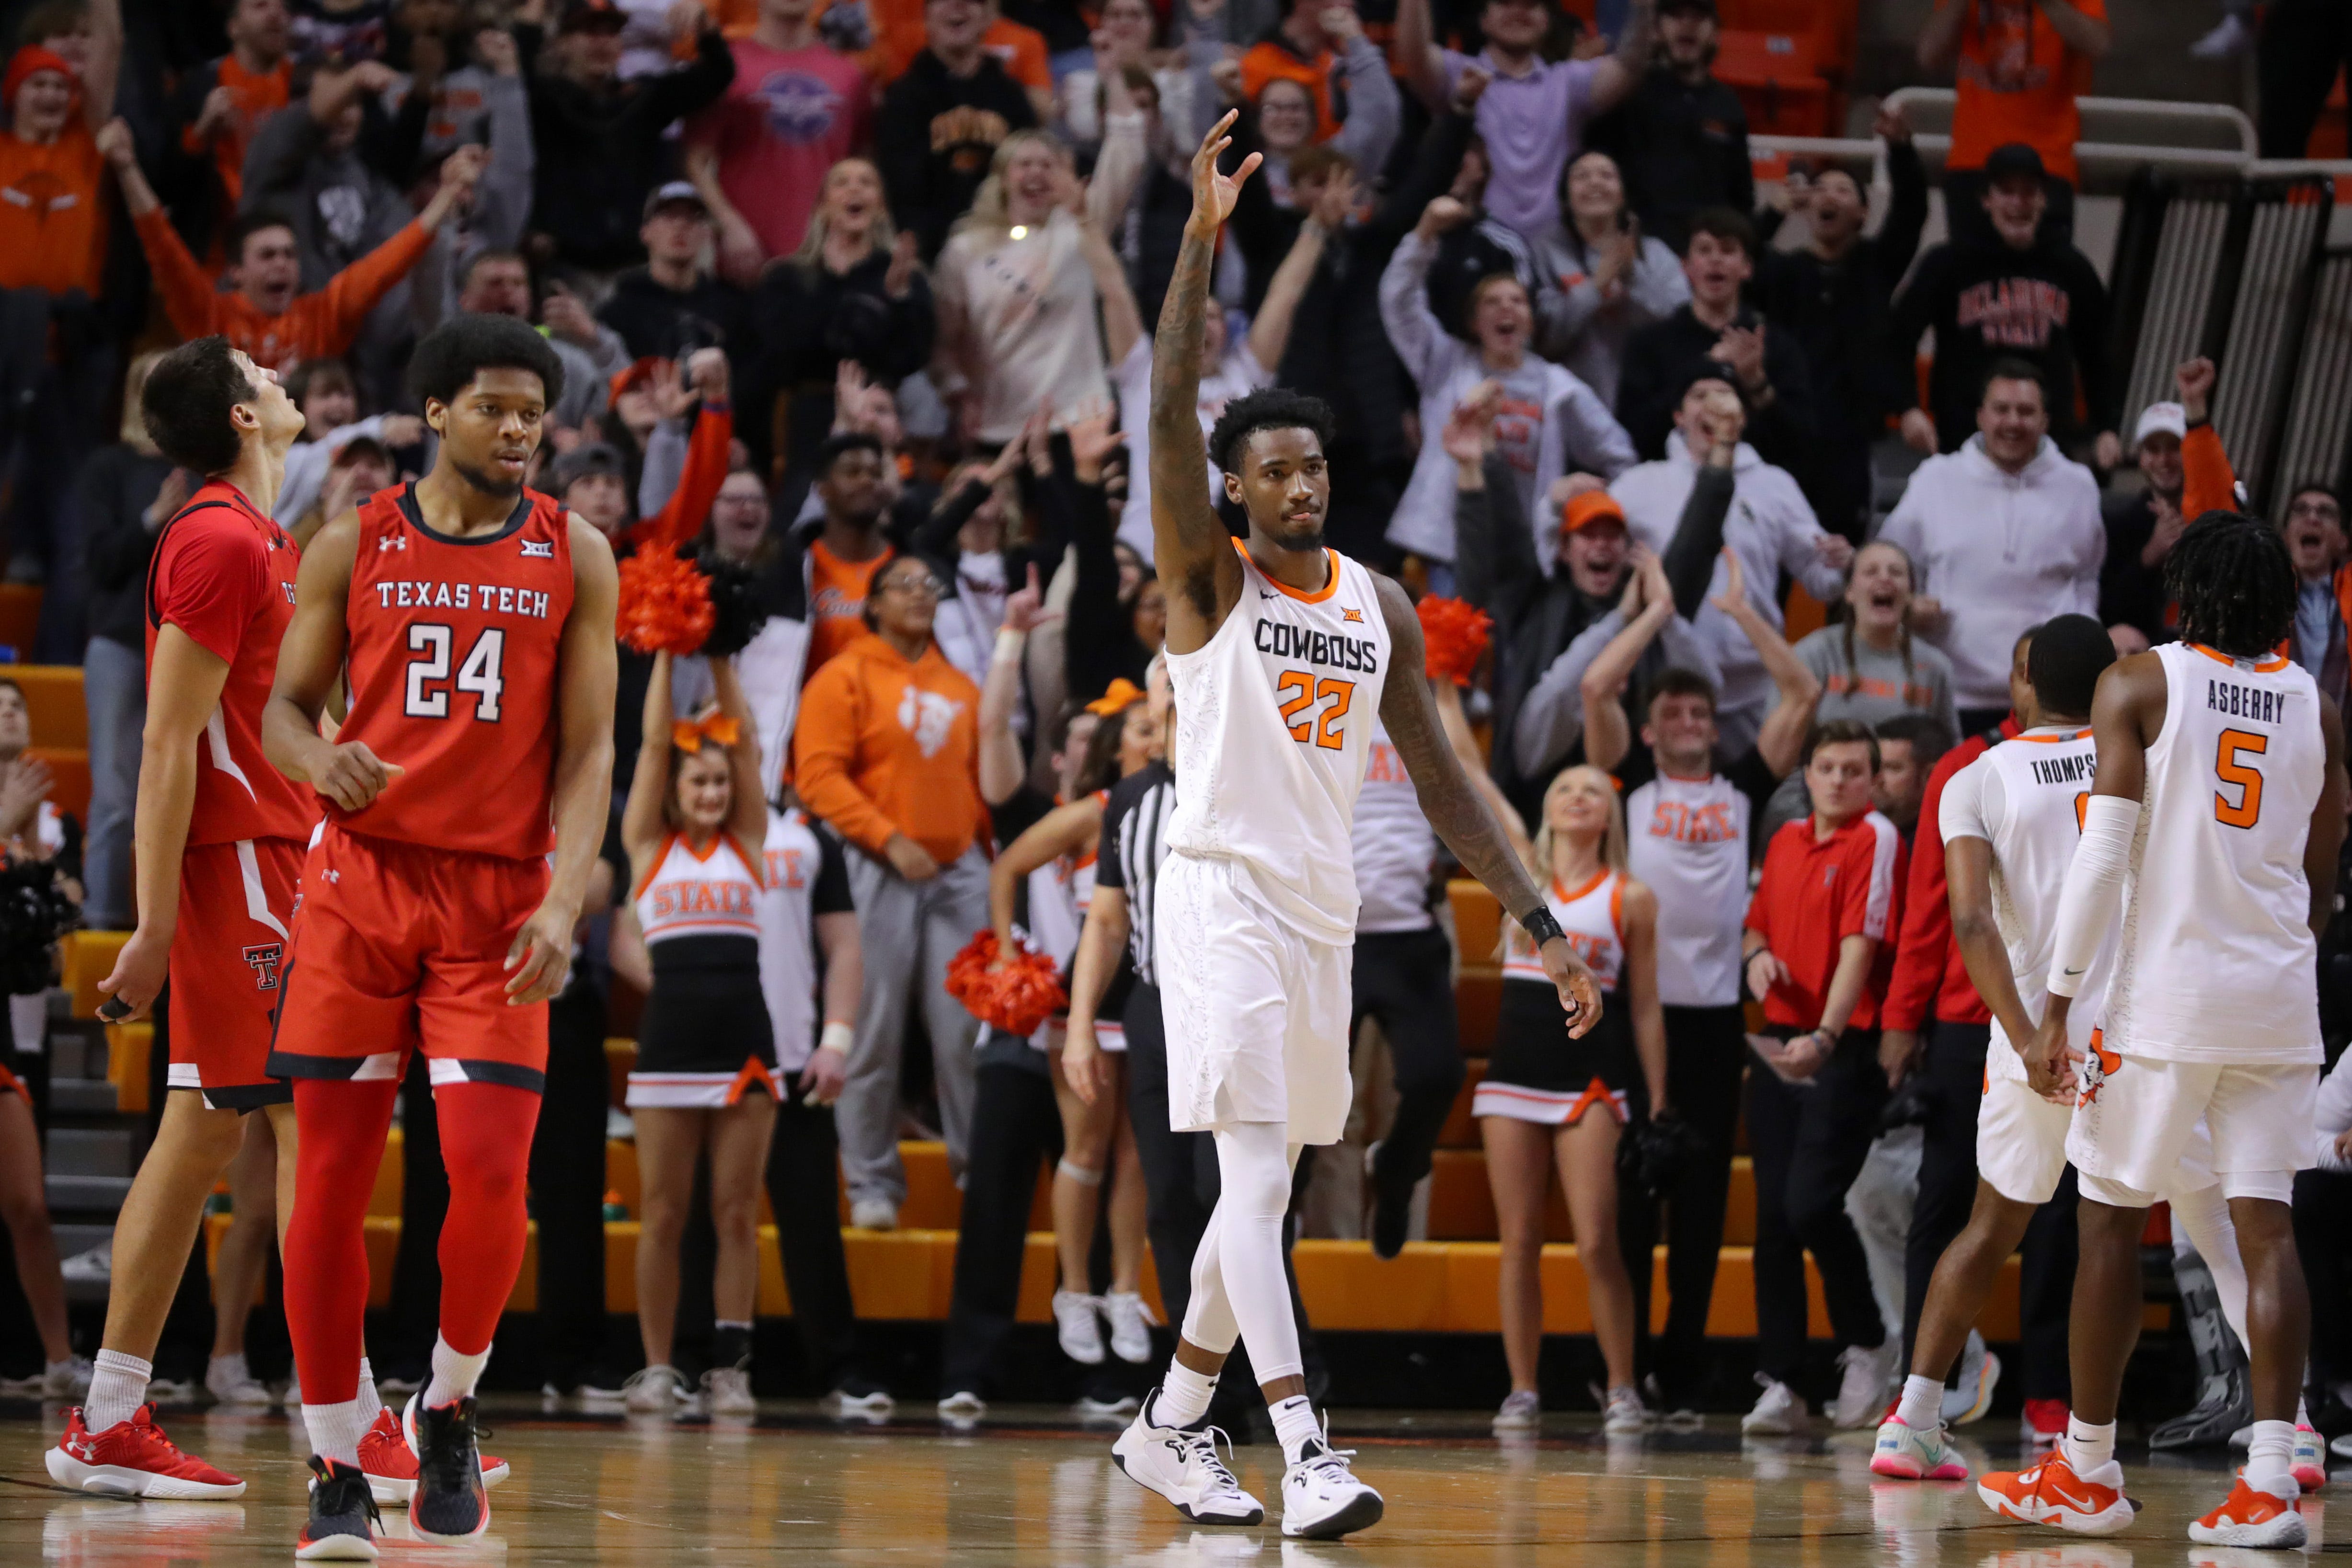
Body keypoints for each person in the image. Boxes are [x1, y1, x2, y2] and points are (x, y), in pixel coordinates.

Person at [1109, 113, 1599, 1542]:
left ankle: (1166, 1427)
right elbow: (1167, 406)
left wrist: (1537, 916)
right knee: (1260, 1176)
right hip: (1218, 891)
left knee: (1254, 1191)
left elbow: (1444, 781)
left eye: (1309, 468)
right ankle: (1303, 1440)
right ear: (1238, 491)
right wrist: (1202, 237)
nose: (1298, 484)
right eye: (1271, 471)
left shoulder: (1374, 604)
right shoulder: (1208, 583)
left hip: (1325, 907)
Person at [260, 313, 619, 1554]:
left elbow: (588, 756)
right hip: (359, 888)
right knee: (328, 1183)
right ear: (434, 412)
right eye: (493, 408)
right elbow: (281, 718)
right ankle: (331, 1463)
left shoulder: (574, 552)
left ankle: (447, 1401)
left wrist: (567, 900)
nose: (518, 430)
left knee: (491, 1173)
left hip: (495, 902)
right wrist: (323, 758)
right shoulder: (346, 545)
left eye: (533, 412)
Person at [1979, 513, 2345, 1548]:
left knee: (2104, 1214)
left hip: (2167, 1005)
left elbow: (2102, 860)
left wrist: (2055, 1003)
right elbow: (2323, 871)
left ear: (2186, 588)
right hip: (2278, 1000)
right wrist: (2282, 950)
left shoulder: (2140, 682)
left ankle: (2087, 1470)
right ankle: (2271, 1479)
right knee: (2264, 1228)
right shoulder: (2314, 704)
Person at [1871, 614, 2271, 1486]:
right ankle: (2284, 1427)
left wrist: (2022, 1035)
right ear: (2103, 686)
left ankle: (1912, 1418)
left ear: (2022, 686)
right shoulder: (2150, 757)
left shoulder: (1975, 775)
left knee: (1987, 1227)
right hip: (2139, 1025)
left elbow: (1968, 918)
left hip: (2032, 1031)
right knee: (2188, 1227)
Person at [41, 337, 310, 1506]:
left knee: (203, 1132)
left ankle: (108, 1413)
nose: (285, 377)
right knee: (314, 1112)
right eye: (265, 371)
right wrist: (151, 924)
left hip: (273, 855)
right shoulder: (212, 538)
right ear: (244, 417)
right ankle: (355, 1423)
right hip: (236, 866)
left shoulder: (265, 537)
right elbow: (163, 743)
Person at [793, 553, 990, 1232]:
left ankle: (979, 1176)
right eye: (902, 583)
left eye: (928, 583)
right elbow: (816, 778)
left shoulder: (961, 685)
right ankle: (871, 1181)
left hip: (959, 872)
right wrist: (888, 837)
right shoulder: (842, 676)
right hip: (875, 866)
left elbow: (975, 783)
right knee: (871, 1032)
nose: (920, 592)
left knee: (968, 1032)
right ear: (871, 604)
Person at [1479, 765, 1667, 1432]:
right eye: (1565, 788)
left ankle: (1621, 1387)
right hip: (1512, 1075)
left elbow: (1644, 1007)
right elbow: (1472, 780)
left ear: (1610, 816)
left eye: (1594, 789)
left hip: (1589, 1077)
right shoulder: (1517, 878)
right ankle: (1522, 1389)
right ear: (1547, 810)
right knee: (1519, 1239)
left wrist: (1658, 1097)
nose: (1579, 796)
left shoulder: (1630, 895)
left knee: (1596, 1240)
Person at [617, 650, 774, 1416]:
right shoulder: (649, 850)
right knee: (665, 1210)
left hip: (744, 1039)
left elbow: (744, 743)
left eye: (720, 781)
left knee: (736, 1209)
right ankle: (656, 1368)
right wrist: (669, 651)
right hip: (670, 1043)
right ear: (676, 793)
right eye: (699, 782)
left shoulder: (749, 842)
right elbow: (650, 747)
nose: (713, 791)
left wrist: (717, 657)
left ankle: (730, 1366)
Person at [1739, 719, 1905, 1435]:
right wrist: (1755, 962)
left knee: (1810, 1204)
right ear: (1805, 775)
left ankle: (1868, 1340)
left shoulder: (1874, 837)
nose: (1838, 780)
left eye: (1853, 770)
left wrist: (1826, 1034)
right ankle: (1784, 1381)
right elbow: (1754, 927)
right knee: (1772, 1218)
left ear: (1872, 781)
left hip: (1844, 1044)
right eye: (1827, 768)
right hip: (1777, 1037)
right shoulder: (1783, 841)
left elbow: (1858, 948)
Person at [1381, 193, 1636, 573]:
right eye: (1492, 303)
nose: (1506, 309)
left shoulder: (1557, 386)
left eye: (1517, 301)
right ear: (1473, 323)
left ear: (1531, 321)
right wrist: (1424, 234)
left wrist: (1585, 502)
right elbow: (1398, 301)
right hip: (1446, 552)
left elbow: (1619, 456)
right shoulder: (1444, 363)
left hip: (1521, 560)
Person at [104, 123, 485, 374]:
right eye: (267, 255)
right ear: (236, 271)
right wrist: (126, 169)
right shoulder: (210, 318)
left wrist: (447, 196)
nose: (282, 264)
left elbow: (388, 262)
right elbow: (163, 247)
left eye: (289, 254)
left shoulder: (323, 315)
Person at [1609, 369, 1847, 756]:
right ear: (1678, 416)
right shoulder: (1638, 485)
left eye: (1723, 394)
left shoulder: (1774, 484)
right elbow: (1590, 557)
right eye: (1699, 395)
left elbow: (1822, 580)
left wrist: (1842, 562)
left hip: (1757, 690)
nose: (1713, 404)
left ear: (1741, 417)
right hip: (1667, 686)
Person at [1879, 360, 2104, 736]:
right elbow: (1886, 565)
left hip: (2047, 703)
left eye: (2026, 411)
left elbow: (2087, 577)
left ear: (2045, 420)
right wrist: (1909, 606)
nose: (2012, 422)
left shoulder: (2078, 486)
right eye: (2001, 409)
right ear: (1981, 415)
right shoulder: (1934, 480)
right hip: (1946, 695)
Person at [754, 786, 879, 1414]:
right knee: (695, 1220)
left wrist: (837, 1040)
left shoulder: (806, 835)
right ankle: (693, 1364)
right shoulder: (670, 826)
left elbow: (846, 946)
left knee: (812, 1224)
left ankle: (838, 1367)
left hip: (796, 1058)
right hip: (709, 1063)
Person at [1751, 109, 1929, 541]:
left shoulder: (1875, 265)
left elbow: (1911, 212)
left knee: (1845, 565)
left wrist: (1901, 149)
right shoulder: (1784, 272)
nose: (1829, 196)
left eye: (1843, 190)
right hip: (1786, 437)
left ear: (1863, 213)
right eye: (1821, 189)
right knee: (1773, 564)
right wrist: (1774, 212)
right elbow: (1740, 258)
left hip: (1849, 442)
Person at [1891, 145, 2118, 466]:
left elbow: (2098, 354)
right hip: (1964, 440)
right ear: (1987, 200)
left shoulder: (2072, 268)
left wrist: (2106, 427)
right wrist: (1908, 408)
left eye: (2028, 192)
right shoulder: (1948, 263)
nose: (2018, 203)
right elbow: (1898, 337)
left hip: (2048, 445)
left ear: (2043, 199)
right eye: (2007, 192)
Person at [743, 159, 934, 493]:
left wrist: (900, 299)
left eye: (866, 182)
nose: (855, 189)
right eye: (842, 182)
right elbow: (782, 351)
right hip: (809, 414)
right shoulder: (787, 277)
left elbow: (912, 357)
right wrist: (871, 310)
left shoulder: (903, 276)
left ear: (881, 207)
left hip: (877, 410)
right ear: (822, 206)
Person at [1392, 0, 1651, 242]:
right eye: (1505, 2)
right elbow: (1414, 52)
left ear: (1546, 21)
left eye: (1530, 4)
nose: (1518, 12)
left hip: (1557, 254)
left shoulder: (1568, 83)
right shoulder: (1460, 74)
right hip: (1483, 250)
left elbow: (1629, 66)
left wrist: (1644, 7)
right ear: (1484, 19)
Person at [931, 131, 1123, 446]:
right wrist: (958, 393)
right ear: (1003, 179)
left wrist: (1115, 81)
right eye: (1024, 164)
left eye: (1047, 165)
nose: (1036, 172)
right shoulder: (964, 251)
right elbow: (943, 340)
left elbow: (1125, 159)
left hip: (1078, 420)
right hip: (998, 425)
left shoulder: (1077, 234)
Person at [519, 0, 734, 275]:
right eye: (589, 33)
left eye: (611, 33)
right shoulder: (543, 100)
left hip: (634, 264)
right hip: (563, 262)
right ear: (562, 43)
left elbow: (719, 75)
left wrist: (705, 30)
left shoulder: (641, 98)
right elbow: (520, 66)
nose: (602, 43)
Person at [75, 352, 175, 931]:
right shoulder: (108, 468)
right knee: (116, 799)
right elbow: (98, 562)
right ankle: (103, 922)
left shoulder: (208, 466)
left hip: (189, 648)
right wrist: (153, 518)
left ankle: (174, 929)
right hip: (121, 641)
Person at [1614, 207, 1817, 484]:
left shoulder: (1776, 345)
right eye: (1705, 250)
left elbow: (1800, 442)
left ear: (1747, 268)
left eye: (1728, 250)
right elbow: (1635, 433)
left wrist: (1756, 383)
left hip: (1755, 487)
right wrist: (1708, 368)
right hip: (1668, 485)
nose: (1715, 260)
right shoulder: (1650, 343)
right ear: (1686, 267)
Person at [686, 0, 870, 280]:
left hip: (826, 259)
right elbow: (695, 159)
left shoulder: (851, 75)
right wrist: (729, 224)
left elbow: (864, 161)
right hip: (748, 258)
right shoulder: (725, 68)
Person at [1918, 0, 2107, 241]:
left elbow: (2098, 46)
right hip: (1973, 160)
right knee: (1972, 275)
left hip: (2048, 162)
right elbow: (1929, 56)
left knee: (2044, 275)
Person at [876, 0, 1040, 262]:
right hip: (931, 257)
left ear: (989, 17)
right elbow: (900, 193)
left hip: (1006, 251)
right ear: (927, 18)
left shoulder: (1011, 97)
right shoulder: (903, 98)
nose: (958, 6)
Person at [1583, 0, 1750, 256]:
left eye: (1698, 16)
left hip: (1706, 256)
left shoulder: (1727, 103)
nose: (1686, 24)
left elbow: (1741, 196)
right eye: (1675, 15)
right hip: (1640, 253)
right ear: (1656, 29)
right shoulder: (1627, 94)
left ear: (1715, 32)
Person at [1530, 149, 1688, 412]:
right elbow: (1543, 339)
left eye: (1607, 176)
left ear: (1623, 195)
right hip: (1568, 405)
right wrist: (1595, 287)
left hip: (1648, 403)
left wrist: (1633, 277)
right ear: (1566, 199)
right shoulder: (1544, 252)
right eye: (1582, 177)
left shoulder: (1654, 254)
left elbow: (1680, 328)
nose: (1595, 183)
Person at [161, 0, 294, 254]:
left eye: (283, 7)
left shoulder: (306, 87)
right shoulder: (199, 87)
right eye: (261, 6)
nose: (277, 14)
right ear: (234, 28)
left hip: (290, 252)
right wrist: (202, 133)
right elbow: (165, 184)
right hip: (218, 257)